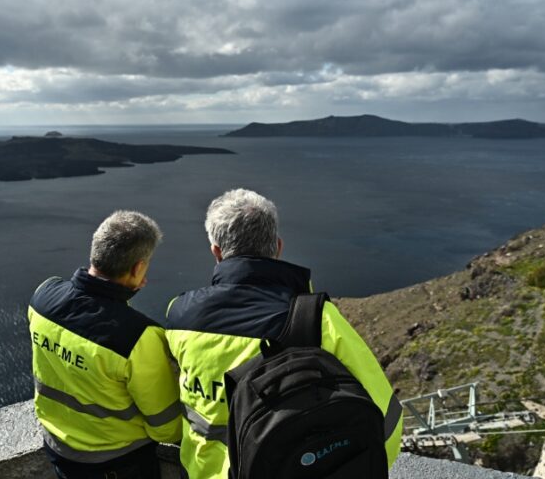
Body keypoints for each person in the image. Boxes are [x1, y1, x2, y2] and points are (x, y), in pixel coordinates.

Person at [165, 189, 402, 478]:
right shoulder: (314, 319)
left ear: (216, 251)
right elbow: (385, 417)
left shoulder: (178, 315)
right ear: (277, 246)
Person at [28, 210, 182, 479]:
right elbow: (166, 427)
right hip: (116, 463)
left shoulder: (43, 298)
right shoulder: (138, 336)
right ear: (137, 268)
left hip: (58, 450)